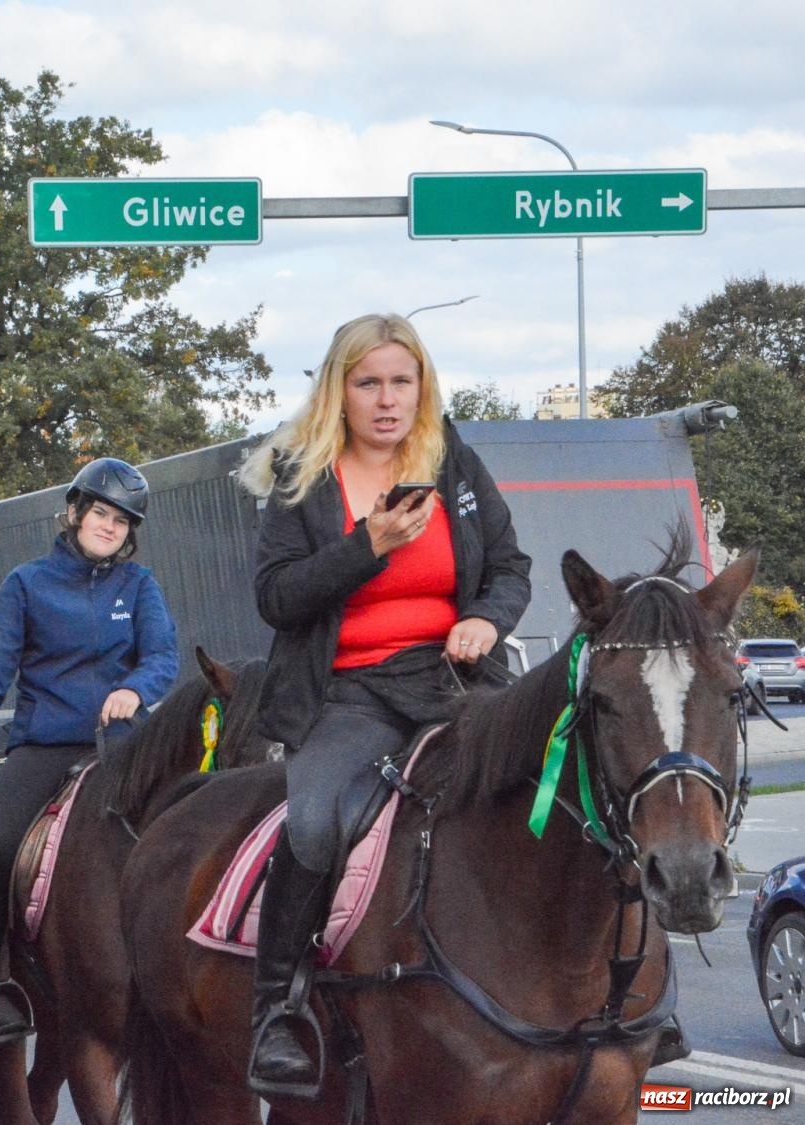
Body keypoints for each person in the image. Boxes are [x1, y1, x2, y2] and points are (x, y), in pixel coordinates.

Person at [239, 313, 531, 1095]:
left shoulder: (454, 463)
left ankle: (634, 987)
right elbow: (276, 596)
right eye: (368, 382)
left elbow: (510, 567)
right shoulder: (304, 476)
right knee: (313, 820)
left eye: (402, 381)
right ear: (340, 391)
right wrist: (366, 543)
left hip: (455, 681)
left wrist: (484, 618)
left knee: (563, 782)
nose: (387, 399)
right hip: (349, 689)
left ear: (422, 387)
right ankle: (279, 1011)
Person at [0, 458, 180, 1043]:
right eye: (101, 513)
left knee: (181, 840)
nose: (109, 527)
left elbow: (162, 657)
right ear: (76, 512)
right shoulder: (25, 585)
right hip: (46, 746)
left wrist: (134, 688)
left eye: (122, 521)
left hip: (124, 746)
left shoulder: (140, 586)